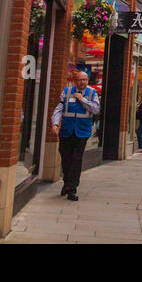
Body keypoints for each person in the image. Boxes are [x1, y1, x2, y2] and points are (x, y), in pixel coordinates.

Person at [50, 70, 100, 201]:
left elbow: (95, 109)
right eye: (79, 80)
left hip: (82, 132)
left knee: (76, 160)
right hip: (66, 131)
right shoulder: (66, 92)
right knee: (66, 159)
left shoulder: (92, 93)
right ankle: (67, 182)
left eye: (84, 80)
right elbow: (59, 109)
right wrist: (55, 124)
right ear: (75, 81)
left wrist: (82, 99)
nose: (82, 82)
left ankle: (72, 189)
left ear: (87, 81)